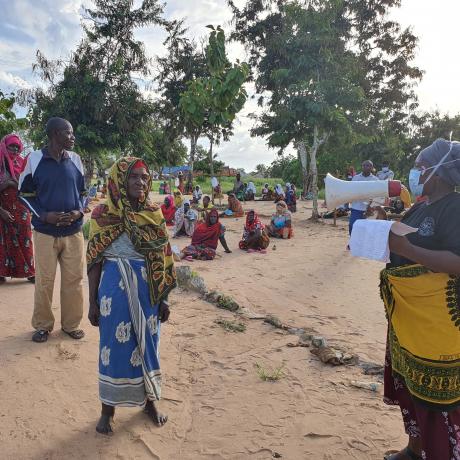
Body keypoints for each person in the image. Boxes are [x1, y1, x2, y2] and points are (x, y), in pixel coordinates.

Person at [376, 139, 460, 460]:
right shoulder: (420, 206)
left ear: (439, 172)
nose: (416, 172)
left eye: (422, 166)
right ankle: (414, 450)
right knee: (411, 389)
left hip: (435, 327)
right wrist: (382, 222)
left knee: (436, 401)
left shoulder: (455, 208)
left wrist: (408, 251)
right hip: (407, 319)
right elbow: (400, 238)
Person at [87, 157, 176, 435]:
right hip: (113, 289)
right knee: (112, 347)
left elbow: (163, 256)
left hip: (148, 289)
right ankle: (107, 410)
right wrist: (92, 302)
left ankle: (149, 402)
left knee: (148, 344)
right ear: (119, 181)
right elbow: (94, 262)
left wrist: (164, 298)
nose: (141, 182)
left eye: (145, 177)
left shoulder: (153, 213)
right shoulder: (102, 214)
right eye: (134, 177)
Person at [19, 117, 86, 343]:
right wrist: (44, 215)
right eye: (68, 133)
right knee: (45, 281)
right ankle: (43, 325)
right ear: (56, 134)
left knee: (74, 281)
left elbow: (84, 194)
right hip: (45, 233)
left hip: (74, 232)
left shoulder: (75, 160)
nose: (72, 137)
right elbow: (24, 193)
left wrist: (79, 212)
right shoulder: (35, 159)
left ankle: (71, 325)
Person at [0, 134, 35, 284]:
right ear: (4, 147)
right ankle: (1, 273)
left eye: (17, 147)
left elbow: (29, 186)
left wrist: (15, 184)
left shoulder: (22, 163)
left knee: (25, 238)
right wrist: (5, 185)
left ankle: (30, 271)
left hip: (22, 210)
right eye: (11, 147)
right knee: (3, 242)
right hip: (2, 209)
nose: (14, 150)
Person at [348, 160, 377, 235]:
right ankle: (353, 244)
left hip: (370, 210)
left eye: (368, 166)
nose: (365, 167)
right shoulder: (355, 178)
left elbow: (377, 195)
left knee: (368, 229)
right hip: (356, 208)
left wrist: (371, 204)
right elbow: (351, 191)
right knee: (352, 226)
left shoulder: (375, 180)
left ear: (372, 168)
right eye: (364, 165)